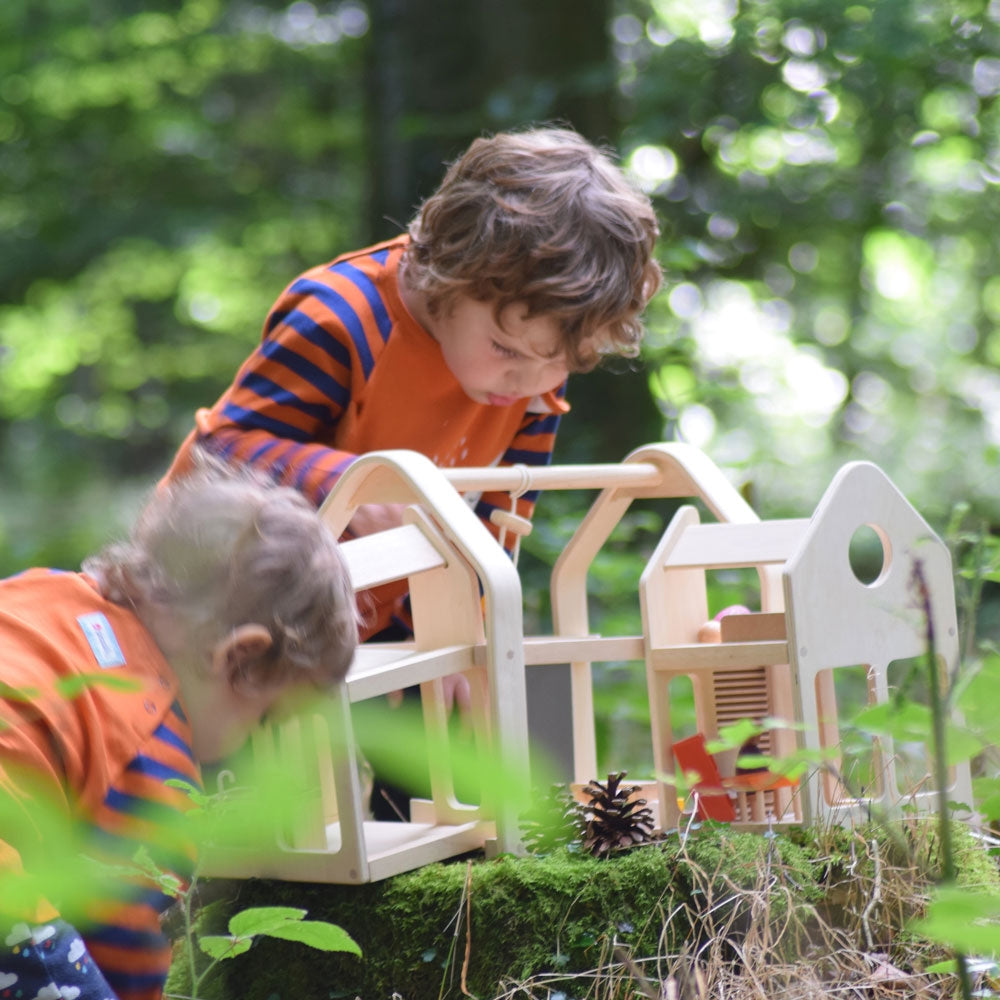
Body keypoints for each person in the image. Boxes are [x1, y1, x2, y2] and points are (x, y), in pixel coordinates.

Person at [161, 125, 663, 642]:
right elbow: (222, 450)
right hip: (203, 601)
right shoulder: (343, 320)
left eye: (562, 361)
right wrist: (351, 483)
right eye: (506, 349)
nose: (530, 380)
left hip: (339, 628)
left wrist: (451, 634)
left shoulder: (530, 374)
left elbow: (491, 532)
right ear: (450, 274)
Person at [0, 454, 358, 1000]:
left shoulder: (50, 594)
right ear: (239, 659)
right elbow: (125, 934)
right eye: (265, 716)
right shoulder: (151, 737)